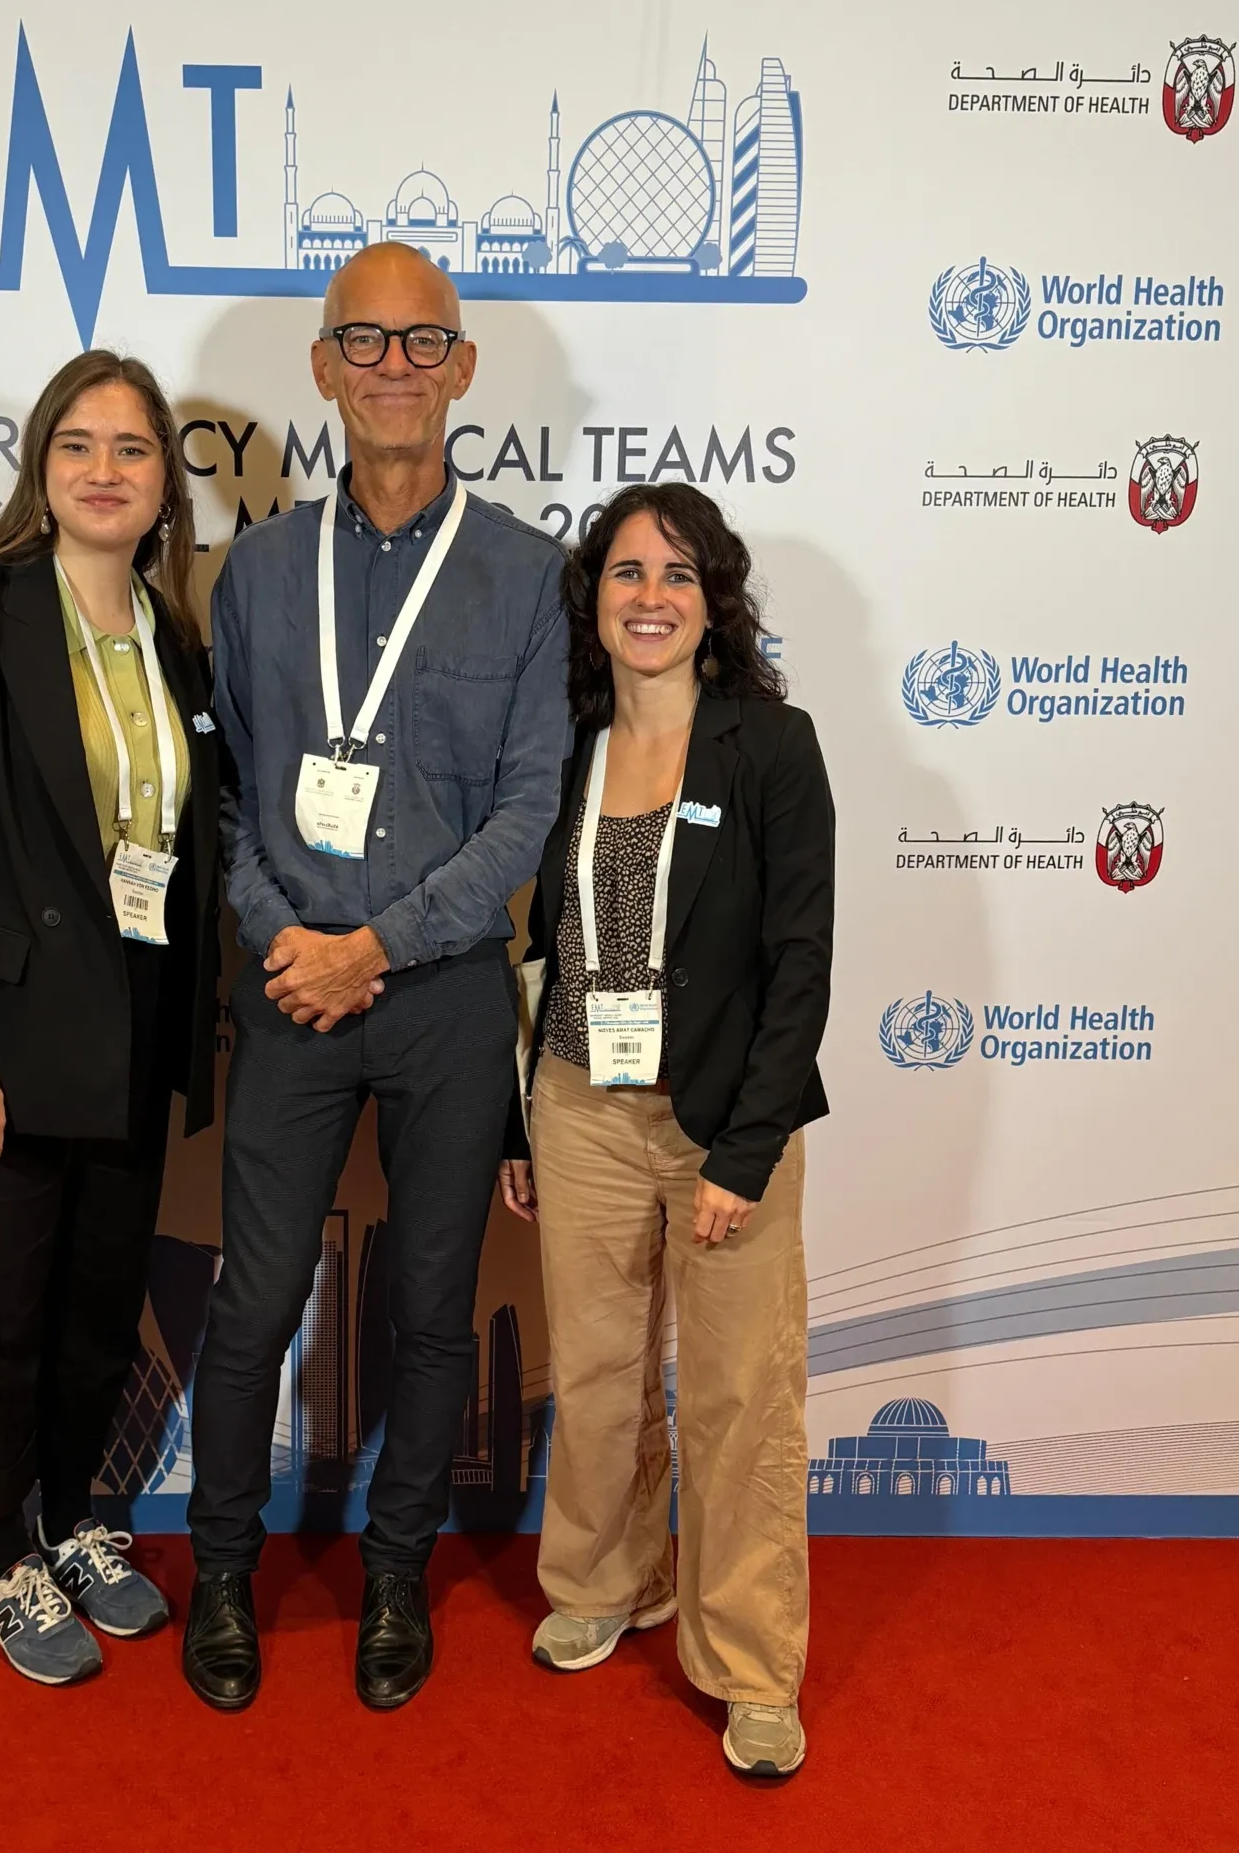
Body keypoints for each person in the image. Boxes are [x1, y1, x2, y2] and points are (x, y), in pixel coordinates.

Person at [185, 242, 569, 1713]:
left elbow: (529, 811)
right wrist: (295, 936)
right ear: (324, 367)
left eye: (424, 344)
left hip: (450, 996)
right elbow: (224, 795)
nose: (395, 368)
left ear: (465, 369)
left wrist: (380, 947)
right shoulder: (261, 572)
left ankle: (395, 1569)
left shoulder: (533, 577)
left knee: (427, 1305)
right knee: (255, 1301)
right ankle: (222, 1566)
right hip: (288, 988)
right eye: (367, 341)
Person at [0, 350, 220, 1686]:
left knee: (93, 1307)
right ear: (41, 465)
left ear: (161, 482)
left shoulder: (171, 632)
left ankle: (79, 1517)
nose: (103, 469)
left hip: (134, 1026)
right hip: (3, 1042)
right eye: (77, 444)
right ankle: (3, 1554)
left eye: (131, 449)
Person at [499, 483, 833, 1777]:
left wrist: (744, 1153)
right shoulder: (562, 741)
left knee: (741, 1398)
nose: (650, 595)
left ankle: (752, 1663)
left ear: (716, 600)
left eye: (678, 574)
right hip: (578, 1103)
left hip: (724, 1118)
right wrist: (524, 1118)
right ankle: (600, 1579)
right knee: (593, 1374)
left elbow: (799, 961)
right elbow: (538, 946)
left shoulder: (769, 744)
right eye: (628, 571)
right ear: (595, 598)